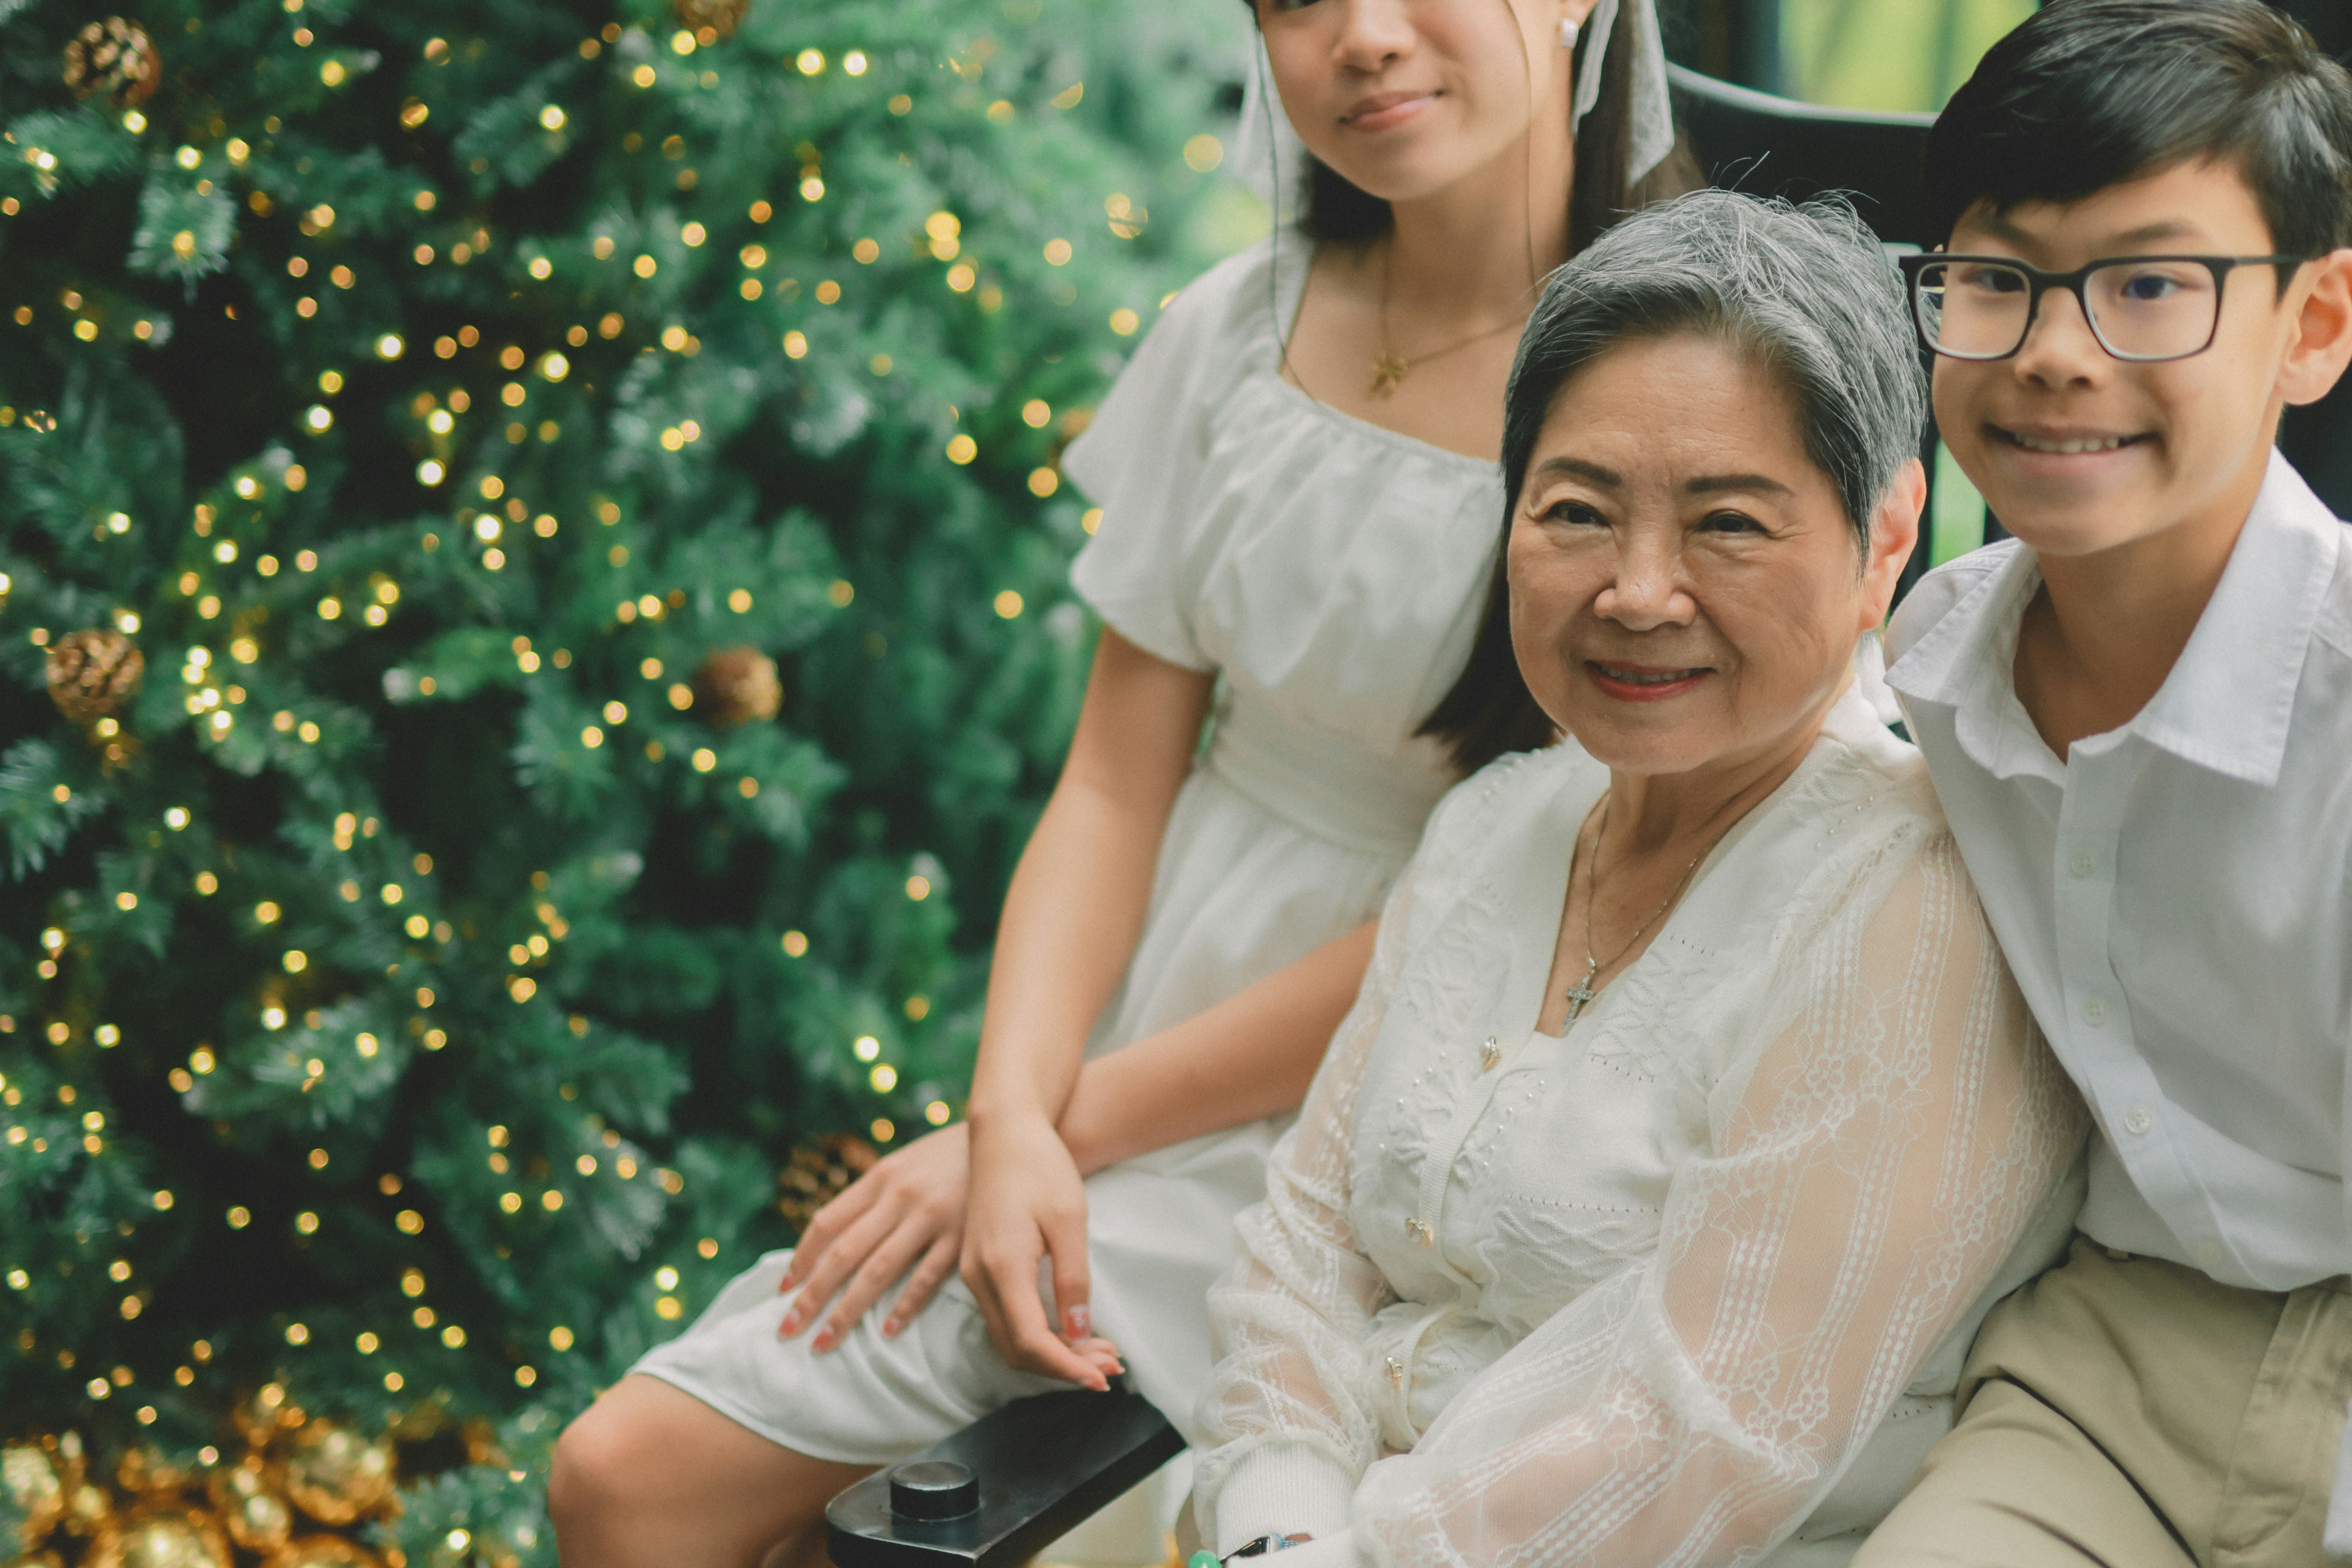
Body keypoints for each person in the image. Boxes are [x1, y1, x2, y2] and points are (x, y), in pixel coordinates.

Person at [549, 4, 1697, 1564]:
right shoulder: (1239, 327)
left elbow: (1534, 892)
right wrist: (1010, 1112)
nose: (1360, 37)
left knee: (660, 1481)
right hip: (1136, 1030)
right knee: (631, 1476)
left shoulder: (1663, 395)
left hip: (1415, 1090)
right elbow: (1110, 780)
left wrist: (1068, 1134)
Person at [1188, 190, 2087, 1568]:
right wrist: (1275, 1521)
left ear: (1888, 535)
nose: (1639, 591)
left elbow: (1701, 1430)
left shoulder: (1924, 905)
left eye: (1728, 523)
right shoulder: (1497, 824)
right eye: (1577, 512)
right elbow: (1299, 1251)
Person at [1843, 5, 2352, 1566]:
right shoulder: (1929, 667)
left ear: (2317, 325)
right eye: (1997, 281)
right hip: (2101, 1369)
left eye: (2150, 284)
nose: (2057, 353)